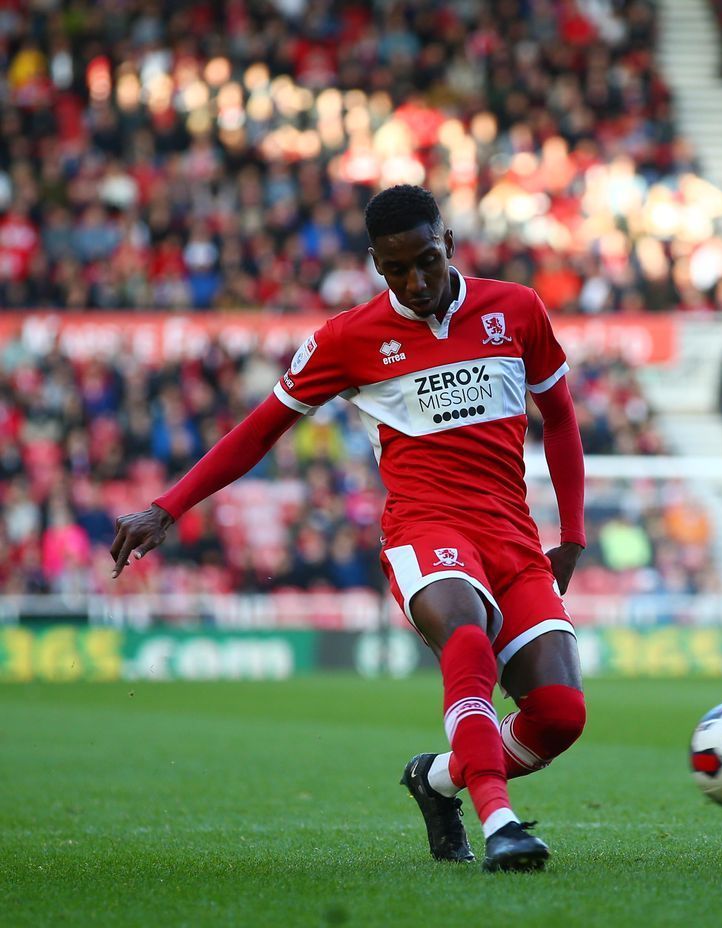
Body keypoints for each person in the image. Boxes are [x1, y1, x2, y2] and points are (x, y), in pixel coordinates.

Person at [111, 185, 589, 872]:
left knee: (560, 717)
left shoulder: (516, 309)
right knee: (466, 635)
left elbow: (562, 417)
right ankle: (501, 823)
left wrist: (571, 533)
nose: (416, 281)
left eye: (427, 260)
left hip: (512, 537)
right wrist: (168, 507)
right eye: (396, 270)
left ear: (449, 243)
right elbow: (258, 431)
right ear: (375, 265)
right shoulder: (347, 339)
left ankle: (437, 780)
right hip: (426, 529)